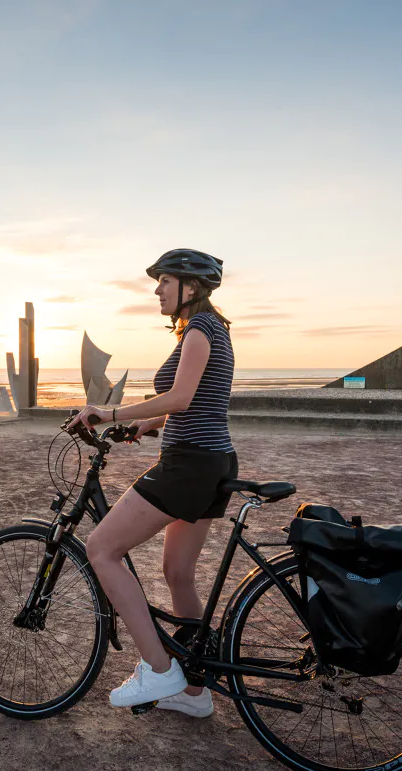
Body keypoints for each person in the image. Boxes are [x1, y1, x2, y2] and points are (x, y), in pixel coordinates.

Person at [68, 248, 235, 719]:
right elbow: (195, 401)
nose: (157, 290)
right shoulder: (211, 329)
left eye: (164, 281)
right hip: (212, 461)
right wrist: (150, 423)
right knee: (178, 574)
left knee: (101, 549)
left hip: (189, 466)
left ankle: (159, 671)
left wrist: (109, 412)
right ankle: (195, 692)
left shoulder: (200, 330)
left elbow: (182, 397)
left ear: (190, 286)